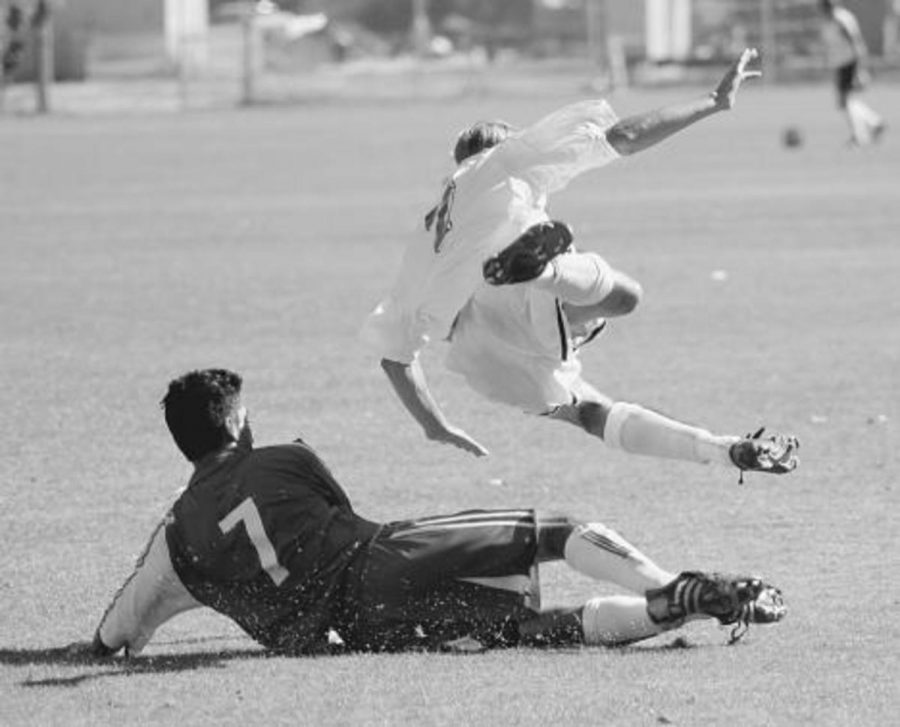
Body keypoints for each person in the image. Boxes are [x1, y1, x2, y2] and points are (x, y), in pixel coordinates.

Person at [72, 369, 784, 658]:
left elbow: (115, 629)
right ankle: (666, 585)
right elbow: (341, 516)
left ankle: (664, 615)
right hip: (377, 561)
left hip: (352, 630)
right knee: (555, 531)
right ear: (237, 423)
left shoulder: (174, 538)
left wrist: (103, 648)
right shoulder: (284, 457)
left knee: (528, 628)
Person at [361, 49, 799, 480]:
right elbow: (622, 137)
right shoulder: (503, 163)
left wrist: (435, 426)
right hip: (514, 295)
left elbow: (394, 359)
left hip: (482, 359)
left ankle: (725, 451)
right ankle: (543, 272)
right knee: (626, 297)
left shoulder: (428, 235)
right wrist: (713, 101)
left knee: (592, 413)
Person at [819, 0, 886, 146]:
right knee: (844, 101)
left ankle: (861, 135)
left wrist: (860, 68)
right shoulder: (828, 21)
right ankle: (874, 123)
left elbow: (856, 42)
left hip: (850, 62)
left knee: (844, 101)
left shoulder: (841, 19)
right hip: (840, 64)